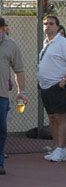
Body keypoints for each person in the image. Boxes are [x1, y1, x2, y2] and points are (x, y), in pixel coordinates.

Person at [39, 15, 66, 162]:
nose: (47, 26)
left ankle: (61, 148)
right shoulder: (47, 43)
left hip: (58, 87)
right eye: (45, 24)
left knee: (60, 117)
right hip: (45, 87)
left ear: (58, 27)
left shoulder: (63, 43)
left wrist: (64, 80)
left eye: (51, 24)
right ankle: (58, 148)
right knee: (51, 118)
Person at [0, 16, 26, 175]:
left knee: (2, 129)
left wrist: (21, 92)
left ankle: (0, 163)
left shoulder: (11, 45)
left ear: (2, 29)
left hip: (2, 95)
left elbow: (19, 71)